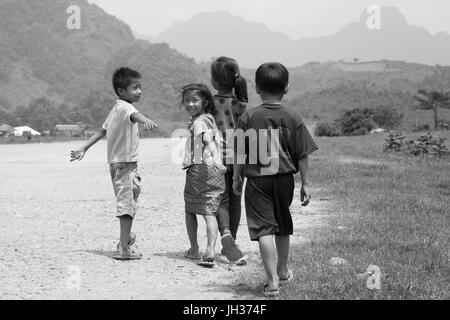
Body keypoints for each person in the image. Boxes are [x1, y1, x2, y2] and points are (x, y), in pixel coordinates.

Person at [233, 62, 318, 296]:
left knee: (264, 230)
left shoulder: (248, 117)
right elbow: (302, 154)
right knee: (282, 226)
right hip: (284, 181)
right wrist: (306, 184)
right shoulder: (293, 117)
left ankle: (271, 282)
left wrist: (237, 178)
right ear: (287, 88)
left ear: (257, 88)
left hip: (258, 182)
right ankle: (282, 270)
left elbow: (240, 152)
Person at [70, 67, 158, 261]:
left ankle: (125, 239)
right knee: (127, 205)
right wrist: (146, 120)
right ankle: (123, 249)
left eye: (140, 87)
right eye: (135, 88)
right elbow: (135, 116)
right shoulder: (127, 108)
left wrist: (83, 148)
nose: (140, 91)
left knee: (129, 201)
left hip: (116, 164)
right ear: (121, 91)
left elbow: (102, 131)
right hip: (125, 165)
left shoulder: (116, 108)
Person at [181, 83, 227, 268]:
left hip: (200, 170)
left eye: (195, 100)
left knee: (190, 210)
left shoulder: (199, 122)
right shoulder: (208, 119)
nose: (190, 104)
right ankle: (210, 249)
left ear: (205, 101)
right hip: (215, 173)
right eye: (187, 101)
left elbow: (208, 142)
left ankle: (194, 249)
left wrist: (215, 160)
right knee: (209, 212)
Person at [210, 57, 248, 265]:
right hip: (238, 158)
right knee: (235, 200)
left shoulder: (210, 103)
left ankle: (226, 237)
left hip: (216, 158)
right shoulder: (241, 104)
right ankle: (232, 239)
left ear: (215, 82)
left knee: (220, 199)